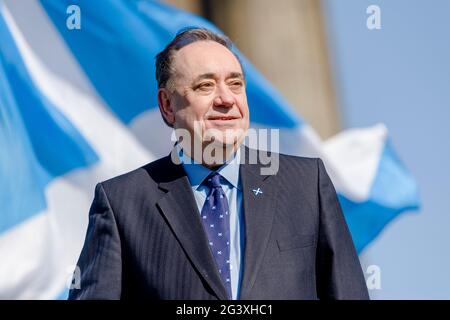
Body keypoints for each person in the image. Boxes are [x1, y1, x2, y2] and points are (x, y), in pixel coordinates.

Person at [68, 28, 369, 300]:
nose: (226, 99)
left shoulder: (307, 185)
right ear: (167, 105)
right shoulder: (122, 202)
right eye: (205, 86)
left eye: (235, 84)